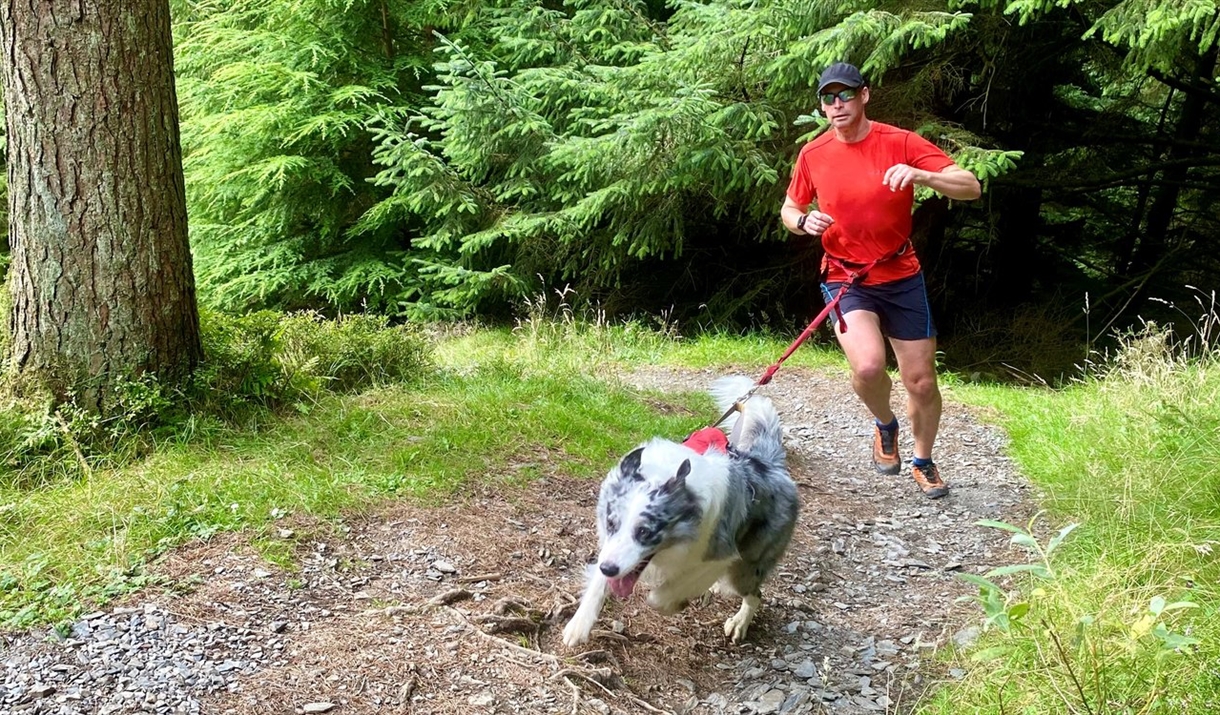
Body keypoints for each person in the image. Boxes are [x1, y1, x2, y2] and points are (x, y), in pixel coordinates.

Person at [781, 62, 981, 499]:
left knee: (922, 380)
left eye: (845, 95)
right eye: (828, 98)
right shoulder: (813, 154)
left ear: (864, 95)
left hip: (901, 274)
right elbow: (790, 209)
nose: (837, 105)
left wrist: (922, 174)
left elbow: (970, 186)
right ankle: (885, 425)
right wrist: (803, 221)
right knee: (869, 366)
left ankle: (924, 460)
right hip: (844, 276)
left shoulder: (900, 141)